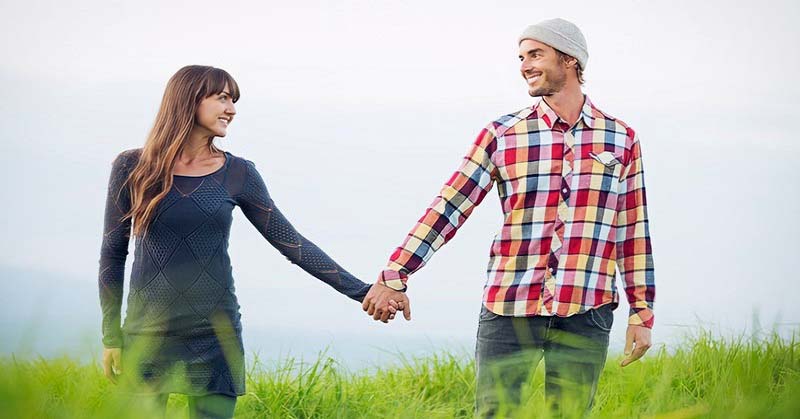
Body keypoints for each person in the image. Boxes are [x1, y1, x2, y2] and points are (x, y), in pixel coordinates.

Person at [362, 18, 655, 417]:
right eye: (521, 56)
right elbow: (451, 205)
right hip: (509, 306)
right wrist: (396, 273)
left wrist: (642, 312)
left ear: (569, 59)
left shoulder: (621, 138)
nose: (524, 65)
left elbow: (632, 230)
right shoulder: (503, 133)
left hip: (587, 308)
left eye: (536, 54)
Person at [98, 65, 410, 418]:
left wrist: (364, 290)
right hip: (146, 338)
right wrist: (111, 336)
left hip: (214, 338)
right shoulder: (132, 166)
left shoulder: (238, 173)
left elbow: (292, 243)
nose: (231, 109)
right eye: (222, 98)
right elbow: (112, 253)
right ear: (188, 100)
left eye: (233, 100)